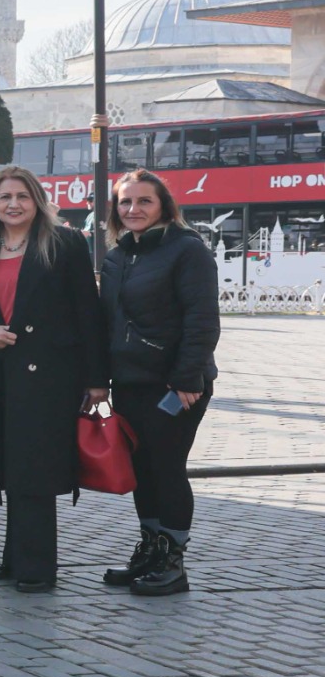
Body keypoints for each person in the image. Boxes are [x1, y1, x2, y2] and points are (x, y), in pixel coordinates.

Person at [0, 167, 106, 593]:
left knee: (34, 472)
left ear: (36, 200)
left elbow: (88, 313)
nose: (13, 205)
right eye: (4, 197)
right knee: (7, 467)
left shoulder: (64, 244)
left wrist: (98, 380)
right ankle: (14, 557)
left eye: (22, 196)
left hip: (48, 377)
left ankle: (37, 567)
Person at [98, 169, 220, 598]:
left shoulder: (187, 250)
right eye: (125, 202)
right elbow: (107, 323)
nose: (133, 210)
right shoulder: (117, 256)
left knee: (167, 468)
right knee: (142, 471)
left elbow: (202, 319)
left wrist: (188, 377)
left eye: (144, 201)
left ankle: (173, 562)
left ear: (164, 206)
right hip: (130, 383)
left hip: (175, 386)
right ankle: (150, 552)